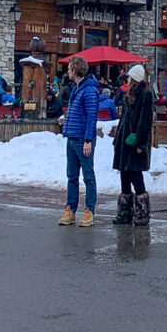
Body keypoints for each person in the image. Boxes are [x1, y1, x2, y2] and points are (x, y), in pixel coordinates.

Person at [110, 64, 155, 226]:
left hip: (135, 140)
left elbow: (146, 120)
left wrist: (140, 143)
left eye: (129, 77)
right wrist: (117, 140)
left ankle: (142, 212)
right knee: (124, 174)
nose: (127, 80)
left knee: (135, 174)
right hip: (124, 140)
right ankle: (125, 213)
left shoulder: (145, 95)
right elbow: (124, 119)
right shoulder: (129, 95)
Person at [59, 55, 100, 227]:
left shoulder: (89, 90)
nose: (67, 71)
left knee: (88, 176)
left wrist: (88, 139)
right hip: (72, 137)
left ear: (75, 70)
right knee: (72, 176)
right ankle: (70, 209)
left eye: (69, 68)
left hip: (82, 139)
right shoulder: (76, 88)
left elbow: (92, 116)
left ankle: (89, 211)